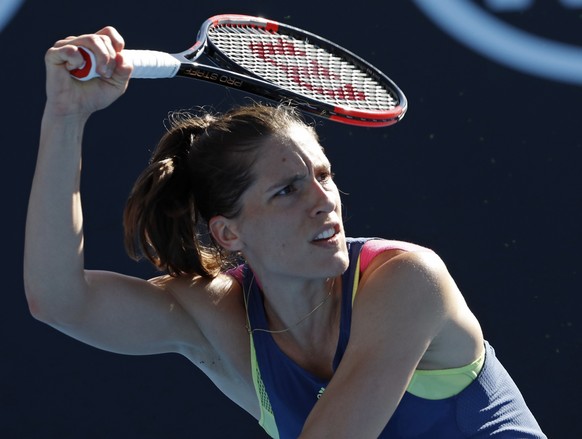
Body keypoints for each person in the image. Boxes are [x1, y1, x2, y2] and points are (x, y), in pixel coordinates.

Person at [24, 26, 547, 439]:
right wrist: (65, 115)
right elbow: (59, 301)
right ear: (228, 234)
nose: (325, 201)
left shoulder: (407, 280)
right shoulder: (219, 314)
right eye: (287, 191)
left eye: (324, 176)